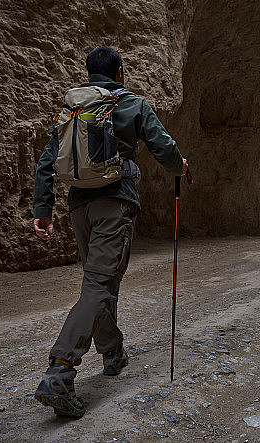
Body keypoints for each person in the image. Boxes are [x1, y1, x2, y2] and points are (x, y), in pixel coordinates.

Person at [32, 46, 188, 417]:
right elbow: (162, 147)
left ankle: (113, 354)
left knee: (99, 283)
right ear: (119, 73)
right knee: (99, 286)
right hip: (115, 205)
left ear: (89, 74)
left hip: (78, 207)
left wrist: (43, 209)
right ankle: (60, 372)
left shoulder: (73, 110)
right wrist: (180, 167)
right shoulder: (132, 104)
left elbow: (46, 162)